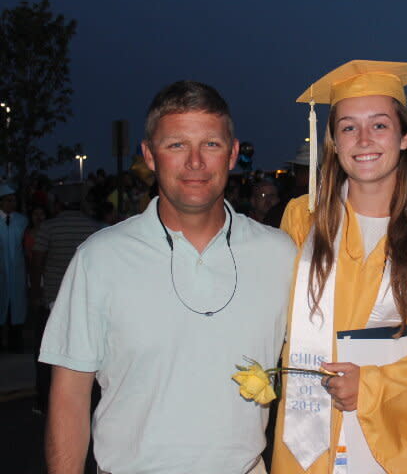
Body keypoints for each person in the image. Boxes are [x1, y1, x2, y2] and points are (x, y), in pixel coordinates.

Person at [39, 80, 296, 474]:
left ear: (233, 154)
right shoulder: (100, 258)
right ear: (149, 155)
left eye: (210, 144)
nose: (195, 162)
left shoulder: (281, 255)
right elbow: (70, 393)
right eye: (176, 145)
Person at [272, 60, 407, 474]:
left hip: (397, 438)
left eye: (380, 125)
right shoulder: (301, 219)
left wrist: (373, 386)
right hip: (307, 441)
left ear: (405, 137)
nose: (364, 139)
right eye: (348, 127)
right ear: (331, 141)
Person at [30, 185, 104, 415]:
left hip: (53, 299)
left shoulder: (48, 228)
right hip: (87, 302)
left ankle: (45, 403)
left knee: (47, 354)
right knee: (88, 355)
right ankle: (90, 404)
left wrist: (35, 292)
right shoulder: (93, 228)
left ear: (59, 204)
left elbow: (37, 262)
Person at [0, 184, 29, 352]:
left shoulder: (22, 220)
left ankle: (15, 344)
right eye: (9, 200)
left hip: (17, 272)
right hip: (2, 272)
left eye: (14, 200)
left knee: (16, 310)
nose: (12, 203)